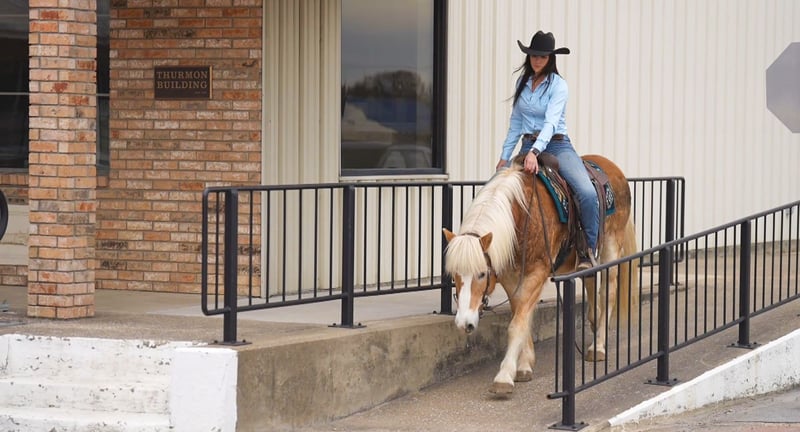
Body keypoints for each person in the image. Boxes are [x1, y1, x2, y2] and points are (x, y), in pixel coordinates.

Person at [495, 30, 599, 270]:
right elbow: (516, 123)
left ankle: (588, 250)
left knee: (587, 192)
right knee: (495, 188)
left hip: (557, 144)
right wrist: (504, 156)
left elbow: (551, 123)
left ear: (551, 58)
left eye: (542, 56)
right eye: (534, 55)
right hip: (528, 144)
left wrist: (535, 152)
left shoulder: (559, 85)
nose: (537, 60)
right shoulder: (522, 83)